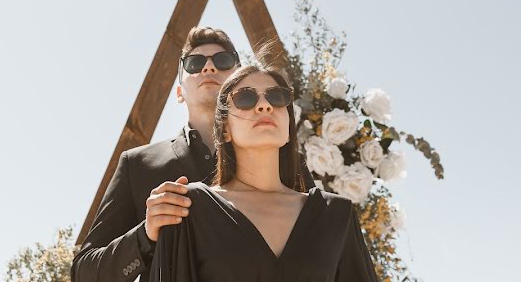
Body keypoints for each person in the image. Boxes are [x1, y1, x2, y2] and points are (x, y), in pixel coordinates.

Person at [148, 61, 379, 282]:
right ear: (224, 130)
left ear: (288, 125)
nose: (265, 105)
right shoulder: (189, 208)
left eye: (277, 97)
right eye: (245, 98)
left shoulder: (336, 214)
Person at [71, 27, 243, 282]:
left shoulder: (275, 158)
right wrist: (146, 234)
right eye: (194, 63)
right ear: (179, 92)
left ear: (241, 81)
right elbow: (84, 273)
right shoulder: (137, 164)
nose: (208, 68)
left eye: (223, 61)